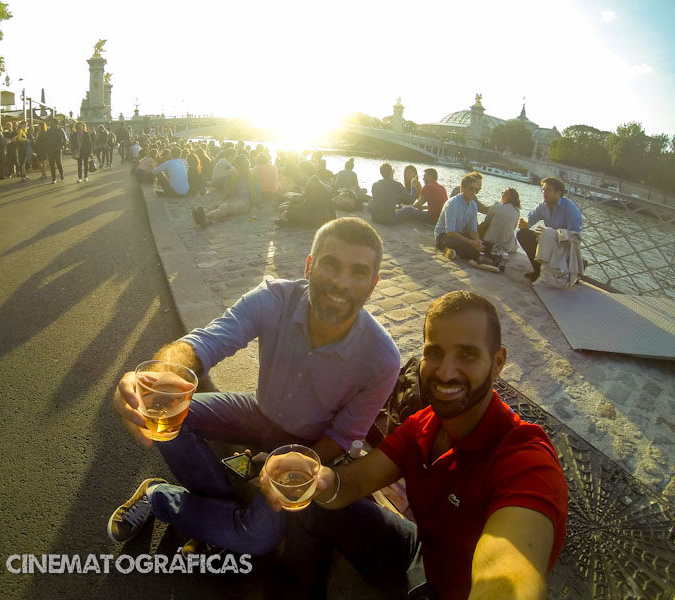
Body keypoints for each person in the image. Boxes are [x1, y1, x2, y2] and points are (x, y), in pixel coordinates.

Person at [109, 217, 401, 557]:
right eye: (330, 264)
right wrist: (155, 379)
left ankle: (158, 498)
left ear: (373, 284)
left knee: (258, 538)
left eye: (358, 272)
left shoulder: (382, 360)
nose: (340, 282)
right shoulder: (273, 298)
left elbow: (341, 437)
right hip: (256, 410)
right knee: (165, 414)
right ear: (309, 266)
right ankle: (221, 514)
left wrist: (294, 463)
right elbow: (203, 344)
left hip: (306, 444)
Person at [266, 291, 569, 600]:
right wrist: (319, 478)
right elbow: (355, 482)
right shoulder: (424, 424)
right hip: (421, 554)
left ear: (498, 362)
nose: (445, 371)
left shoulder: (526, 461)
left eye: (467, 355)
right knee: (311, 508)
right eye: (434, 352)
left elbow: (508, 568)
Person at [517, 177, 583, 282]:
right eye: (543, 189)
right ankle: (538, 271)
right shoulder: (542, 206)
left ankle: (567, 271)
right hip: (549, 243)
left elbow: (575, 236)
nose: (544, 192)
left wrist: (551, 234)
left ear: (558, 193)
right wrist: (523, 222)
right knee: (522, 234)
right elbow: (529, 221)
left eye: (548, 189)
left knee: (547, 234)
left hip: (564, 246)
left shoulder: (570, 208)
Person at [191, 155, 257, 228]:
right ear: (237, 166)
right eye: (244, 165)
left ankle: (203, 217)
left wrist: (256, 203)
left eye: (247, 164)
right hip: (232, 198)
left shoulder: (252, 173)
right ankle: (206, 221)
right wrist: (224, 200)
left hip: (244, 202)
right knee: (219, 207)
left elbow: (256, 189)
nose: (246, 167)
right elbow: (227, 189)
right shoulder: (231, 173)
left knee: (227, 208)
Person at [433, 173, 484, 261]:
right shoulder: (453, 203)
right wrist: (472, 243)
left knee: (486, 245)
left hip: (458, 234)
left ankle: (455, 252)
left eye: (475, 190)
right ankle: (480, 257)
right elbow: (450, 232)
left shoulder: (473, 205)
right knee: (466, 248)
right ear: (462, 188)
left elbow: (473, 230)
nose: (474, 193)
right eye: (471, 189)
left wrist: (478, 242)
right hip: (443, 236)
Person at [479, 187, 521, 254]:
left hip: (489, 241)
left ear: (507, 196)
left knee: (482, 226)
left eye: (503, 193)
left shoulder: (496, 206)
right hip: (507, 246)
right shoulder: (517, 212)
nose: (502, 195)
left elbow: (487, 221)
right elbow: (513, 228)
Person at [46, 119, 67, 184]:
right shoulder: (48, 131)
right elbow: (46, 139)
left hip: (58, 148)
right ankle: (54, 178)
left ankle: (61, 174)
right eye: (50, 122)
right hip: (50, 149)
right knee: (52, 164)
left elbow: (65, 138)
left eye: (52, 122)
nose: (50, 123)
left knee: (59, 163)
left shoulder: (60, 130)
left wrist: (63, 145)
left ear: (56, 123)